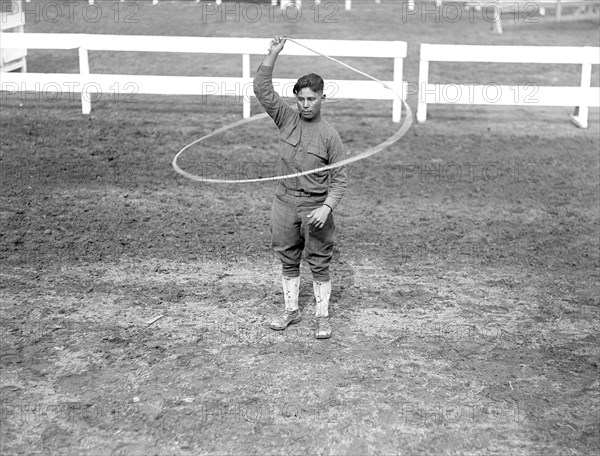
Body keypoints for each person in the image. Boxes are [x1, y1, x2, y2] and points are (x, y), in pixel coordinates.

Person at [253, 36, 347, 339]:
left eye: (312, 99)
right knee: (287, 257)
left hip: (315, 208)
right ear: (296, 99)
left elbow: (340, 180)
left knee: (319, 261)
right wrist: (272, 54)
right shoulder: (286, 120)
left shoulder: (330, 136)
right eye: (301, 99)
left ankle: (322, 316)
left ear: (322, 98)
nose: (306, 105)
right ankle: (291, 311)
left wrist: (326, 207)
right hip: (284, 203)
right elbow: (262, 90)